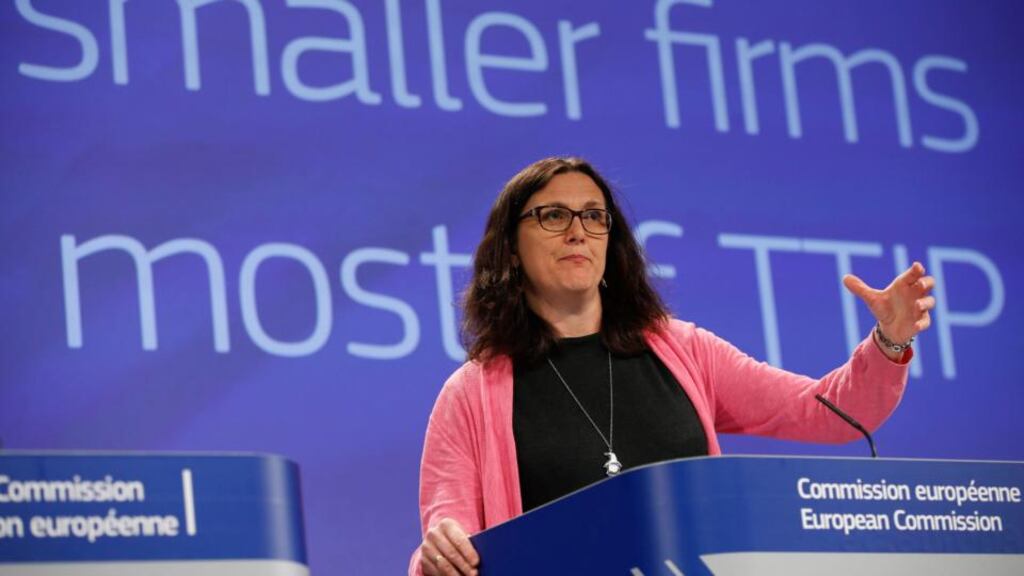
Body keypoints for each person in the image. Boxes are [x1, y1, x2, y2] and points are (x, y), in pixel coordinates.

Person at [411, 157, 934, 576]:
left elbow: (826, 413)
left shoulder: (684, 350)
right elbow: (448, 544)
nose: (578, 232)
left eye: (594, 216)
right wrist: (436, 557)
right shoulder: (470, 395)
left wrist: (890, 341)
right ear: (510, 251)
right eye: (553, 215)